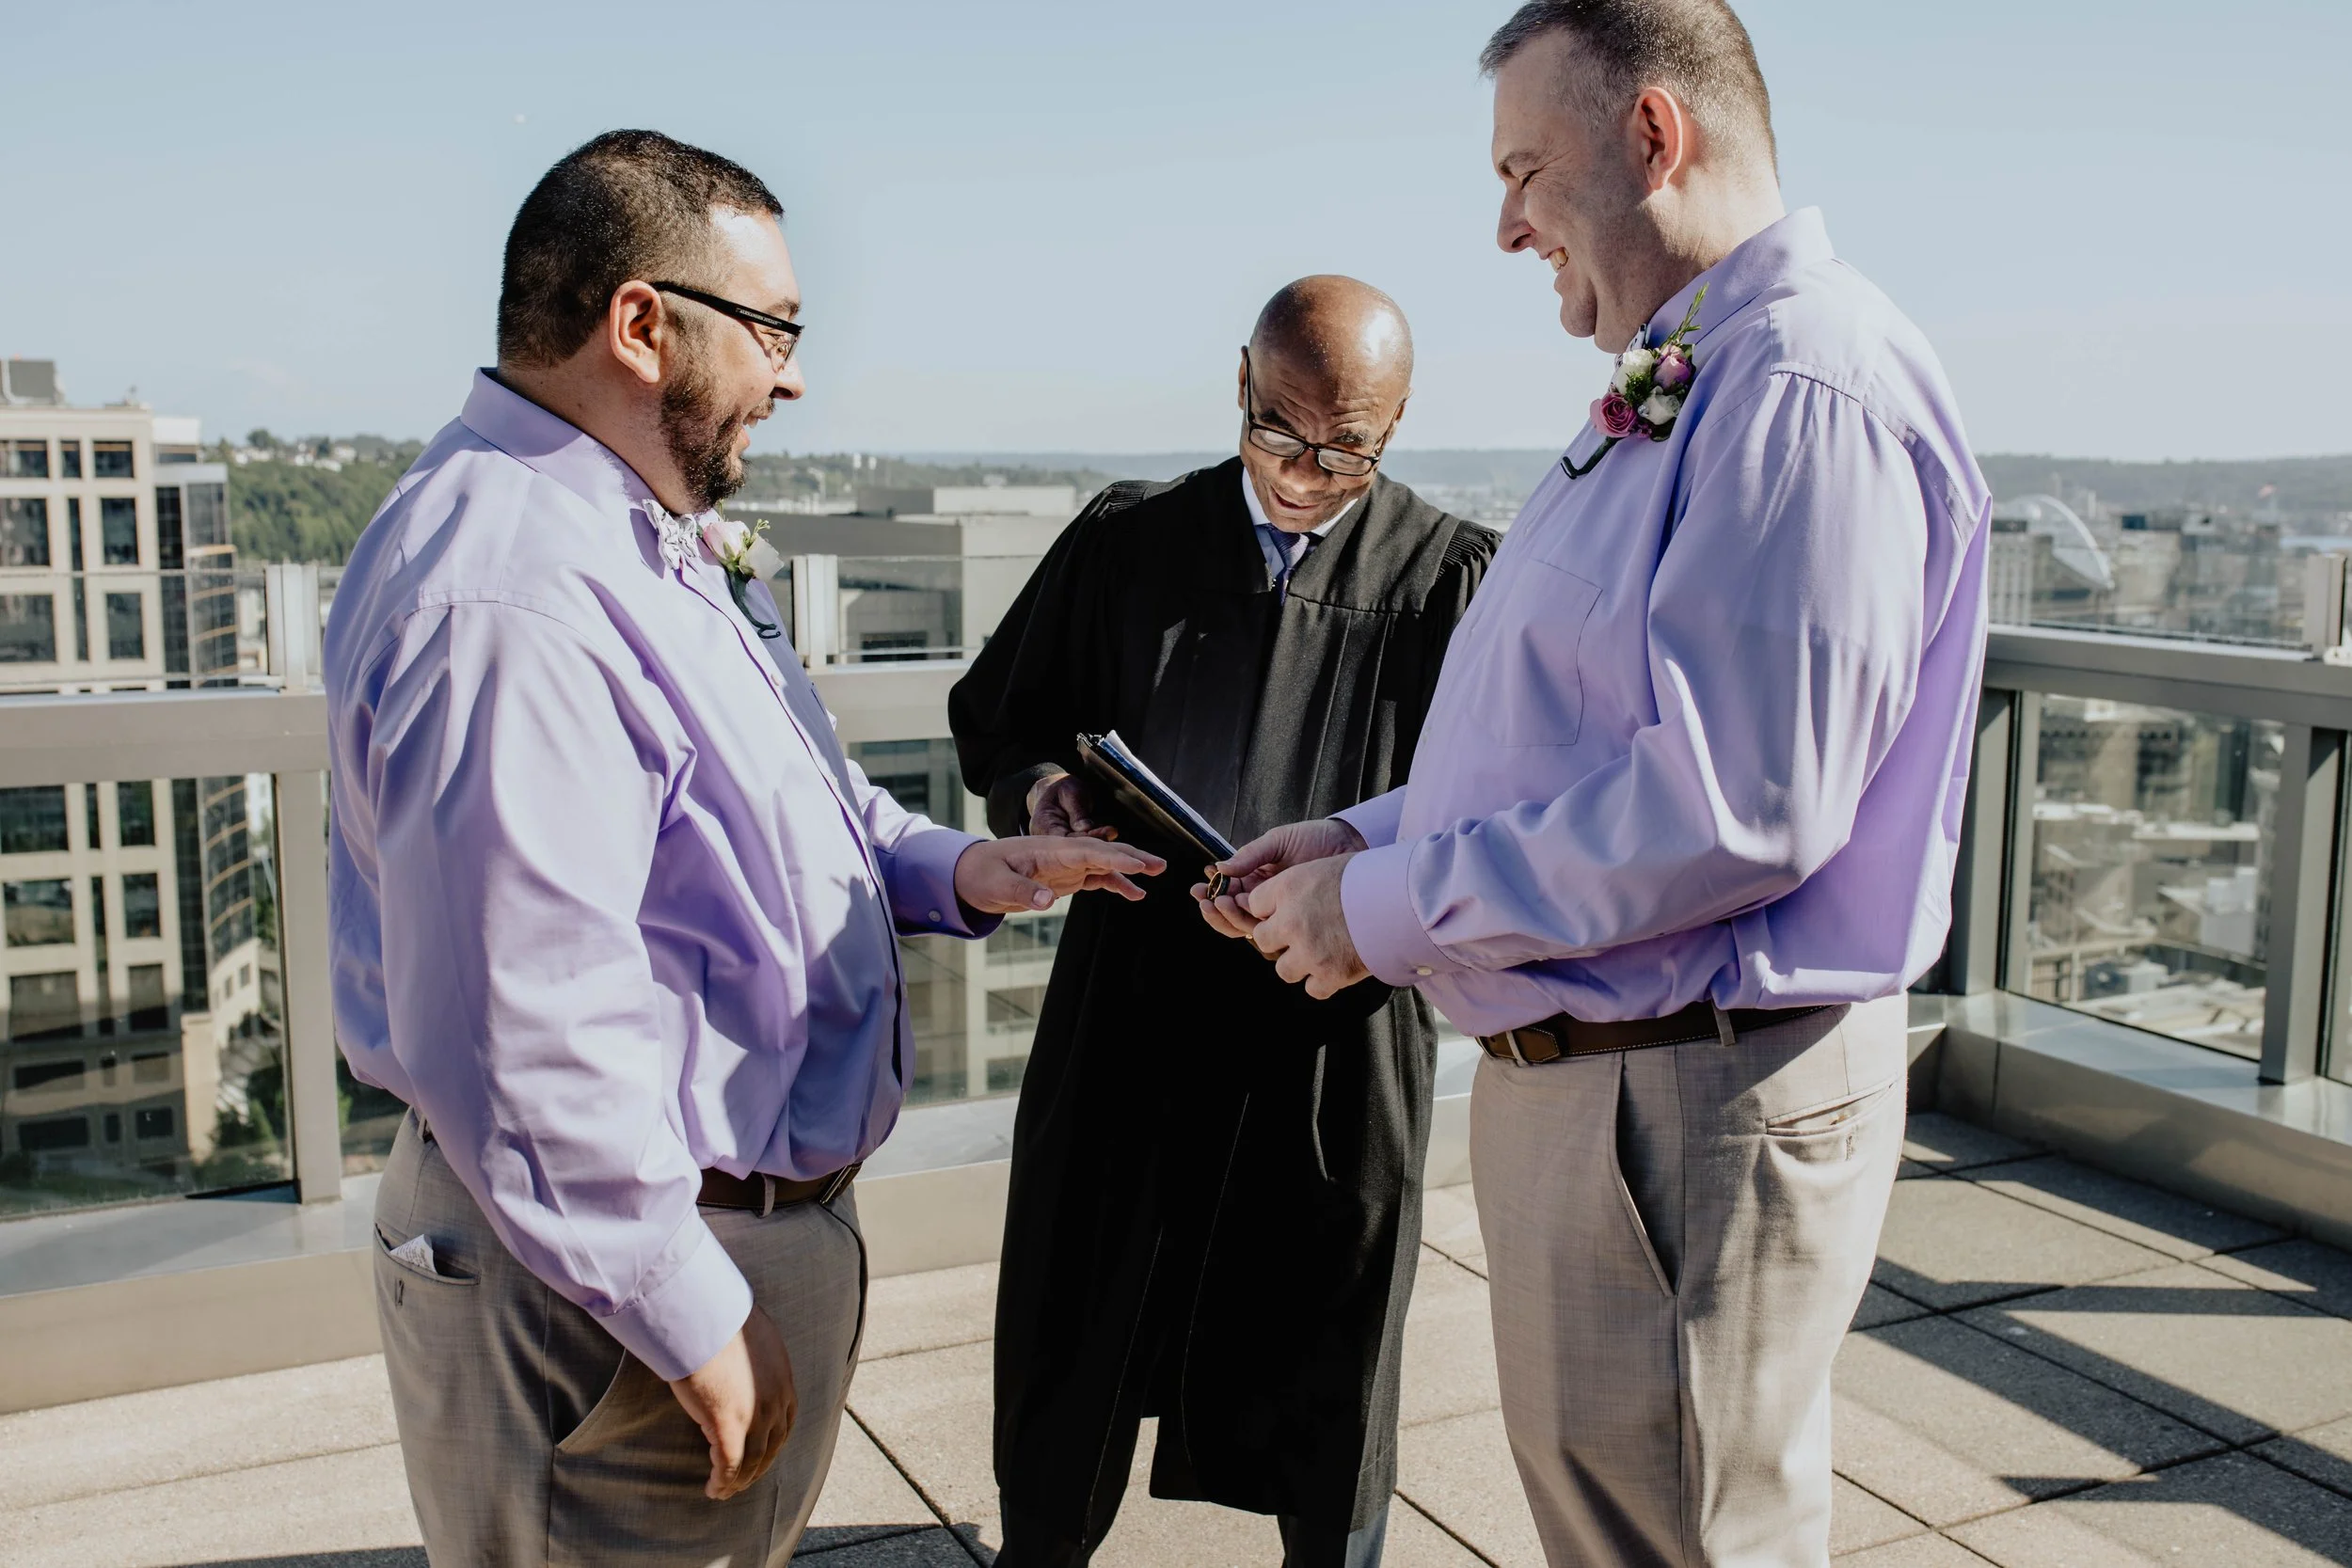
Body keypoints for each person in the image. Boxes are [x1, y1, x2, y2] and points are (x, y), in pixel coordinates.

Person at [1198, 6, 1992, 1565]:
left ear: (1651, 136)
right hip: (1621, 1084)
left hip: (1683, 1101)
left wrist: (1380, 905)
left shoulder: (1803, 385)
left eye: (1525, 169)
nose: (1503, 224)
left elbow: (1734, 804)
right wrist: (1368, 833)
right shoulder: (1707, 367)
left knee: (1677, 1536)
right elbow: (1577, 729)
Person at [324, 130, 1160, 1567]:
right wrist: (690, 1307)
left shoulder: (623, 530)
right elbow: (521, 1026)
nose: (792, 375)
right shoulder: (513, 597)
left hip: (681, 1253)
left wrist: (958, 871)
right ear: (641, 325)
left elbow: (769, 809)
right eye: (773, 329)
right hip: (602, 1295)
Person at [949, 277, 1499, 1568]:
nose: (1304, 472)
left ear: (1398, 421)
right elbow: (1008, 714)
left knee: (1327, 1356)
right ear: (1237, 381)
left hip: (1330, 1033)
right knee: (1074, 1334)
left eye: (1344, 447)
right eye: (1275, 428)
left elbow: (1486, 800)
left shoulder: (1450, 581)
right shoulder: (1129, 540)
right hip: (1126, 1012)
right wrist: (1046, 788)